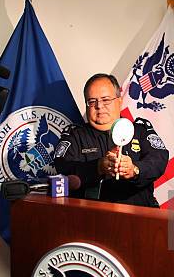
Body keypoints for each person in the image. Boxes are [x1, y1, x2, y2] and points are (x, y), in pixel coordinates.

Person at [54, 73, 168, 207]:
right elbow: (62, 168)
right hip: (91, 218)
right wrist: (98, 167)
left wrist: (135, 169)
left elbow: (159, 160)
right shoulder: (74, 136)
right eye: (92, 101)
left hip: (139, 216)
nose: (99, 106)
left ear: (119, 101)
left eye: (105, 100)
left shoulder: (140, 130)